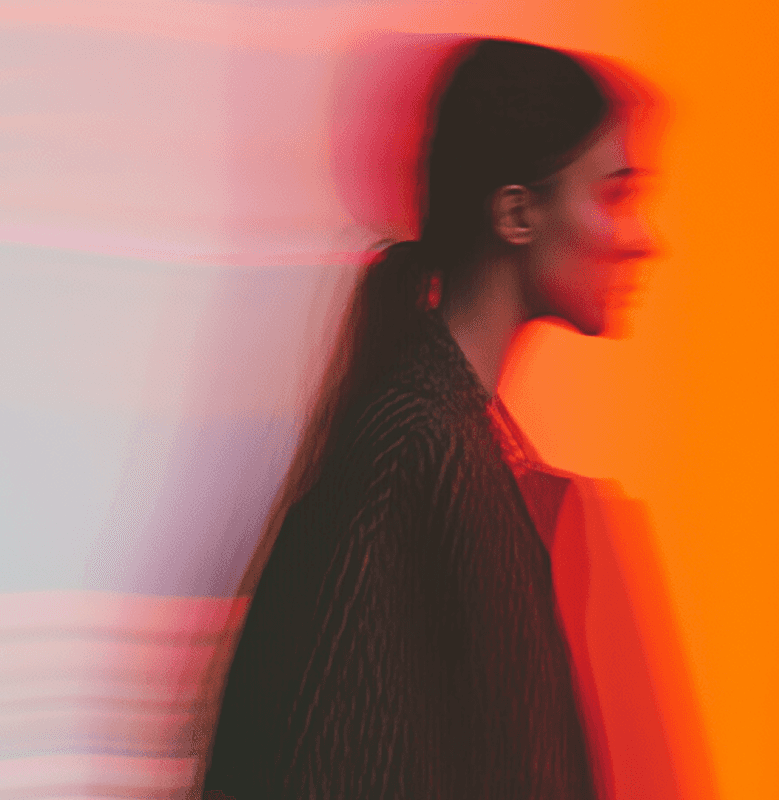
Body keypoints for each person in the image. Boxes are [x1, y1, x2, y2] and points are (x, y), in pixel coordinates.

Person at [202, 37, 657, 800]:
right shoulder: (419, 451)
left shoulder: (456, 447)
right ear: (517, 213)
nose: (640, 239)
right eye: (613, 195)